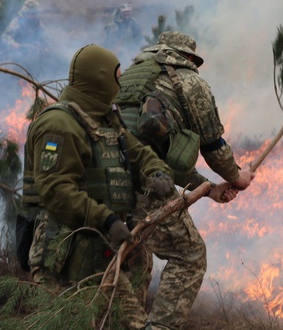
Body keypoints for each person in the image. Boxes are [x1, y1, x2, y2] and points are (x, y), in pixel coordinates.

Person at [22, 44, 174, 330]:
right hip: (65, 253)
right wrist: (107, 219)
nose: (121, 84)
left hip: (103, 247)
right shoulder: (60, 124)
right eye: (117, 77)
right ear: (101, 80)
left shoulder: (106, 121)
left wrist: (157, 171)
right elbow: (55, 190)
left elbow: (139, 152)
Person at [114, 31, 255, 330]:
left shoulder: (128, 78)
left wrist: (209, 190)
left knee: (135, 253)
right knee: (189, 256)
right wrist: (236, 177)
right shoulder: (191, 83)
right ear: (188, 58)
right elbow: (213, 146)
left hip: (107, 179)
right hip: (146, 182)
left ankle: (129, 324)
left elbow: (162, 152)